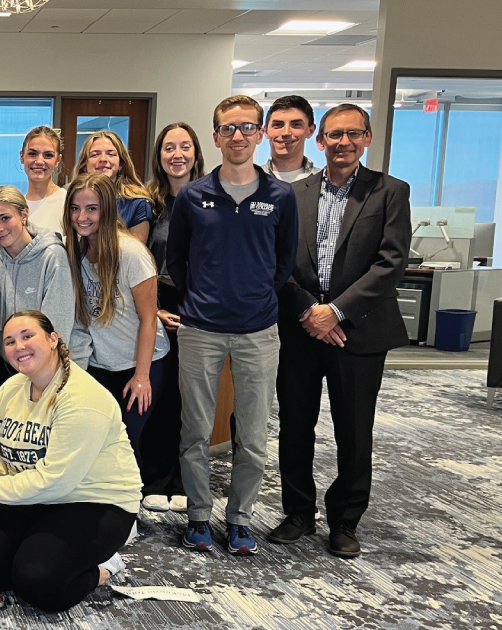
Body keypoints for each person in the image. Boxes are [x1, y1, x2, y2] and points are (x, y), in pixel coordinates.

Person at [269, 104, 411, 559]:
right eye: (334, 135)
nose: (343, 142)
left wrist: (338, 312)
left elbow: (391, 263)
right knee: (295, 424)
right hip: (302, 329)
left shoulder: (390, 192)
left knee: (353, 430)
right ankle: (297, 512)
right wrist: (312, 311)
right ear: (320, 140)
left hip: (360, 333)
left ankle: (345, 521)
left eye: (353, 134)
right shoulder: (295, 194)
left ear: (367, 137)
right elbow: (279, 262)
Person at [166, 95, 298, 556]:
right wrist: (200, 298)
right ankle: (199, 516)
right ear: (217, 135)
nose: (237, 136)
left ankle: (240, 518)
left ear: (260, 134)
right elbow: (177, 260)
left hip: (258, 330)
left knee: (254, 434)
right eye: (228, 128)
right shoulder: (193, 195)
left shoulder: (280, 196)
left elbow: (284, 264)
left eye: (246, 127)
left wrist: (255, 294)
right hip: (201, 328)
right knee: (195, 431)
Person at [0, 310, 141, 613]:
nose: (18, 346)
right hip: (35, 496)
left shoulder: (83, 398)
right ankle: (37, 550)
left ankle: (103, 568)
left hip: (95, 501)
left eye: (27, 336)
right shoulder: (10, 390)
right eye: (10, 341)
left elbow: (55, 481)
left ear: (53, 339)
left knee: (37, 581)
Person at [64, 173, 169, 472]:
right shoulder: (76, 249)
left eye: (91, 209)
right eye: (75, 208)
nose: (81, 217)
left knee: (125, 442)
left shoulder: (131, 253)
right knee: (98, 441)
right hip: (101, 364)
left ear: (107, 210)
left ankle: (128, 514)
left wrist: (142, 376)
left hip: (142, 363)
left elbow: (150, 319)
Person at [141, 122, 206, 513]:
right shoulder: (148, 202)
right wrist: (153, 308)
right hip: (155, 298)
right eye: (169, 147)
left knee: (192, 397)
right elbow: (137, 258)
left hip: (200, 303)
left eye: (185, 147)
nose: (177, 154)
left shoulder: (211, 198)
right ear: (159, 156)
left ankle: (184, 480)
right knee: (158, 393)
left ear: (196, 153)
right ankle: (156, 477)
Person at [0, 185, 76, 387]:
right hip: (8, 362)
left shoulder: (52, 255)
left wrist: (46, 371)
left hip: (46, 366)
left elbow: (58, 322)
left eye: (5, 218)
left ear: (24, 214)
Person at [73, 131, 152, 243]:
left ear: (121, 164)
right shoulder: (72, 199)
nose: (103, 159)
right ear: (84, 165)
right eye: (95, 154)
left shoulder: (137, 204)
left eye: (111, 154)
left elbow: (134, 255)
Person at [20, 126, 67, 236]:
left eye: (48, 155)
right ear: (22, 156)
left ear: (57, 161)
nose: (40, 161)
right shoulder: (17, 205)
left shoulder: (66, 202)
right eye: (32, 153)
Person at [263, 95, 320, 183]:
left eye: (296, 125)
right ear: (265, 131)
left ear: (310, 131)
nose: (286, 133)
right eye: (278, 125)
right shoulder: (249, 181)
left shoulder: (324, 183)